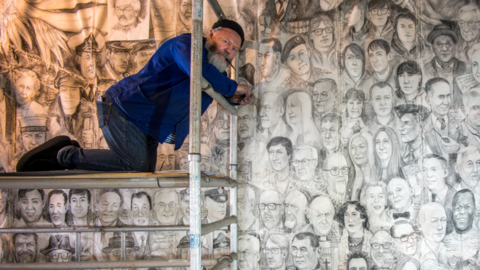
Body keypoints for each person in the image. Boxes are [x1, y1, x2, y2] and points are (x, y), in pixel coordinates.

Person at [17, 19, 252, 172]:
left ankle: (67, 152)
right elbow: (197, 70)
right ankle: (64, 155)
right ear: (211, 34)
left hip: (146, 124)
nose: (228, 50)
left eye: (234, 49)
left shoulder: (212, 73)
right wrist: (232, 88)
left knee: (143, 173)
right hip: (125, 110)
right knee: (134, 166)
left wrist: (229, 96)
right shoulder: (186, 44)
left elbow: (202, 89)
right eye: (225, 41)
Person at [47, 71, 101, 149]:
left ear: (80, 92)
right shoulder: (52, 118)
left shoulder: (91, 115)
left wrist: (94, 138)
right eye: (64, 90)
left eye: (73, 89)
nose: (69, 95)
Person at [423, 78, 463, 162]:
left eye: (448, 96)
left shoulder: (461, 123)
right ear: (428, 100)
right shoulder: (421, 126)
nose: (446, 102)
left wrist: (459, 148)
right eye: (441, 97)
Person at [421, 154, 456, 235]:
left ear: (445, 172)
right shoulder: (417, 199)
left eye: (434, 169)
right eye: (424, 170)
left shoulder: (457, 198)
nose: (428, 175)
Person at [423, 24, 467, 88]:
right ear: (433, 48)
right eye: (439, 44)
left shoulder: (464, 67)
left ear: (454, 46)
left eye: (448, 44)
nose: (444, 49)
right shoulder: (425, 69)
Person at [443, 189, 480, 263]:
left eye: (467, 207)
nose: (462, 212)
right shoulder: (444, 242)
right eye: (458, 208)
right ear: (452, 211)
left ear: (474, 210)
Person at [306, 196, 340, 270]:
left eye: (327, 214)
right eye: (318, 215)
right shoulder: (303, 237)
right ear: (310, 218)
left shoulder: (342, 234)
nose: (324, 221)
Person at [93, 189, 125, 261]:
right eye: (105, 204)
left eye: (114, 205)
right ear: (96, 206)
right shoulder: (88, 226)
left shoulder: (127, 231)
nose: (109, 209)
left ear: (120, 209)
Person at [417, 202, 449, 269]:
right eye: (434, 221)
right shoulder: (416, 252)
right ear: (420, 225)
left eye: (443, 220)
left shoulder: (446, 249)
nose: (440, 227)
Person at [349, 132, 375, 200]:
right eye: (353, 148)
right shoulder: (350, 179)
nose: (357, 152)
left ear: (370, 148)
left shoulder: (378, 176)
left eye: (361, 147)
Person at [130, 192, 152, 258]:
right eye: (136, 208)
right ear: (131, 213)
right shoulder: (123, 238)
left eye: (144, 207)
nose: (140, 214)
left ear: (150, 213)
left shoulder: (158, 237)